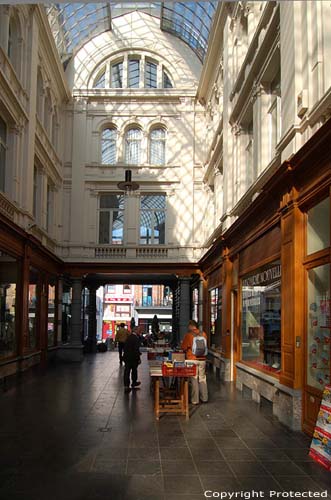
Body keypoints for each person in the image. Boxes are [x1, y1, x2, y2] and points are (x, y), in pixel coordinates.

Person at [181, 320, 208, 405]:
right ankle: (204, 398)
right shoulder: (203, 334)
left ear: (191, 326)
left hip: (192, 359)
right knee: (203, 378)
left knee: (194, 379)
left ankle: (195, 400)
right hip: (202, 359)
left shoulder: (189, 335)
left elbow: (184, 347)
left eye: (188, 326)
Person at [123, 326, 141, 393]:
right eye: (139, 330)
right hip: (133, 357)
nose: (140, 331)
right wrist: (138, 358)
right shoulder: (135, 338)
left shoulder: (129, 337)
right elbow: (136, 349)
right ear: (135, 330)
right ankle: (133, 382)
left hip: (127, 357)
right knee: (133, 370)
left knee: (127, 371)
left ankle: (126, 385)